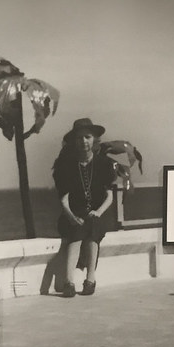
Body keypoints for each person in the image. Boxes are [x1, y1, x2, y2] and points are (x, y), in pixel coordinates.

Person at [52, 118, 115, 298]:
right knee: (77, 230)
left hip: (98, 212)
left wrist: (98, 212)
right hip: (72, 213)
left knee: (93, 227)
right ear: (74, 141)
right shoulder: (66, 166)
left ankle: (90, 279)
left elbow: (109, 196)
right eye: (79, 138)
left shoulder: (104, 164)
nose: (83, 142)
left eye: (87, 137)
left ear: (94, 139)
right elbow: (64, 199)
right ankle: (68, 282)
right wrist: (72, 216)